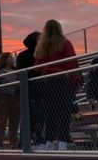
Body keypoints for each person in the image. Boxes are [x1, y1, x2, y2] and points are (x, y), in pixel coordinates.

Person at [34, 19, 80, 150]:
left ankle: (49, 140)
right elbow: (72, 62)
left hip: (47, 82)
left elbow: (37, 66)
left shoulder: (41, 45)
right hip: (62, 80)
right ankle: (63, 141)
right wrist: (75, 80)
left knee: (50, 113)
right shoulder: (65, 43)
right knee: (64, 111)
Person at [15, 31, 44, 147]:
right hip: (36, 88)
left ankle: (24, 139)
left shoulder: (21, 55)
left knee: (27, 115)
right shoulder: (38, 54)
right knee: (37, 115)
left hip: (26, 90)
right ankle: (35, 138)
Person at [0, 52, 19, 148]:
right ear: (5, 59)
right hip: (3, 97)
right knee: (2, 121)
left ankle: (13, 142)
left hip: (14, 97)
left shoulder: (16, 71)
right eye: (10, 57)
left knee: (14, 121)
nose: (12, 58)